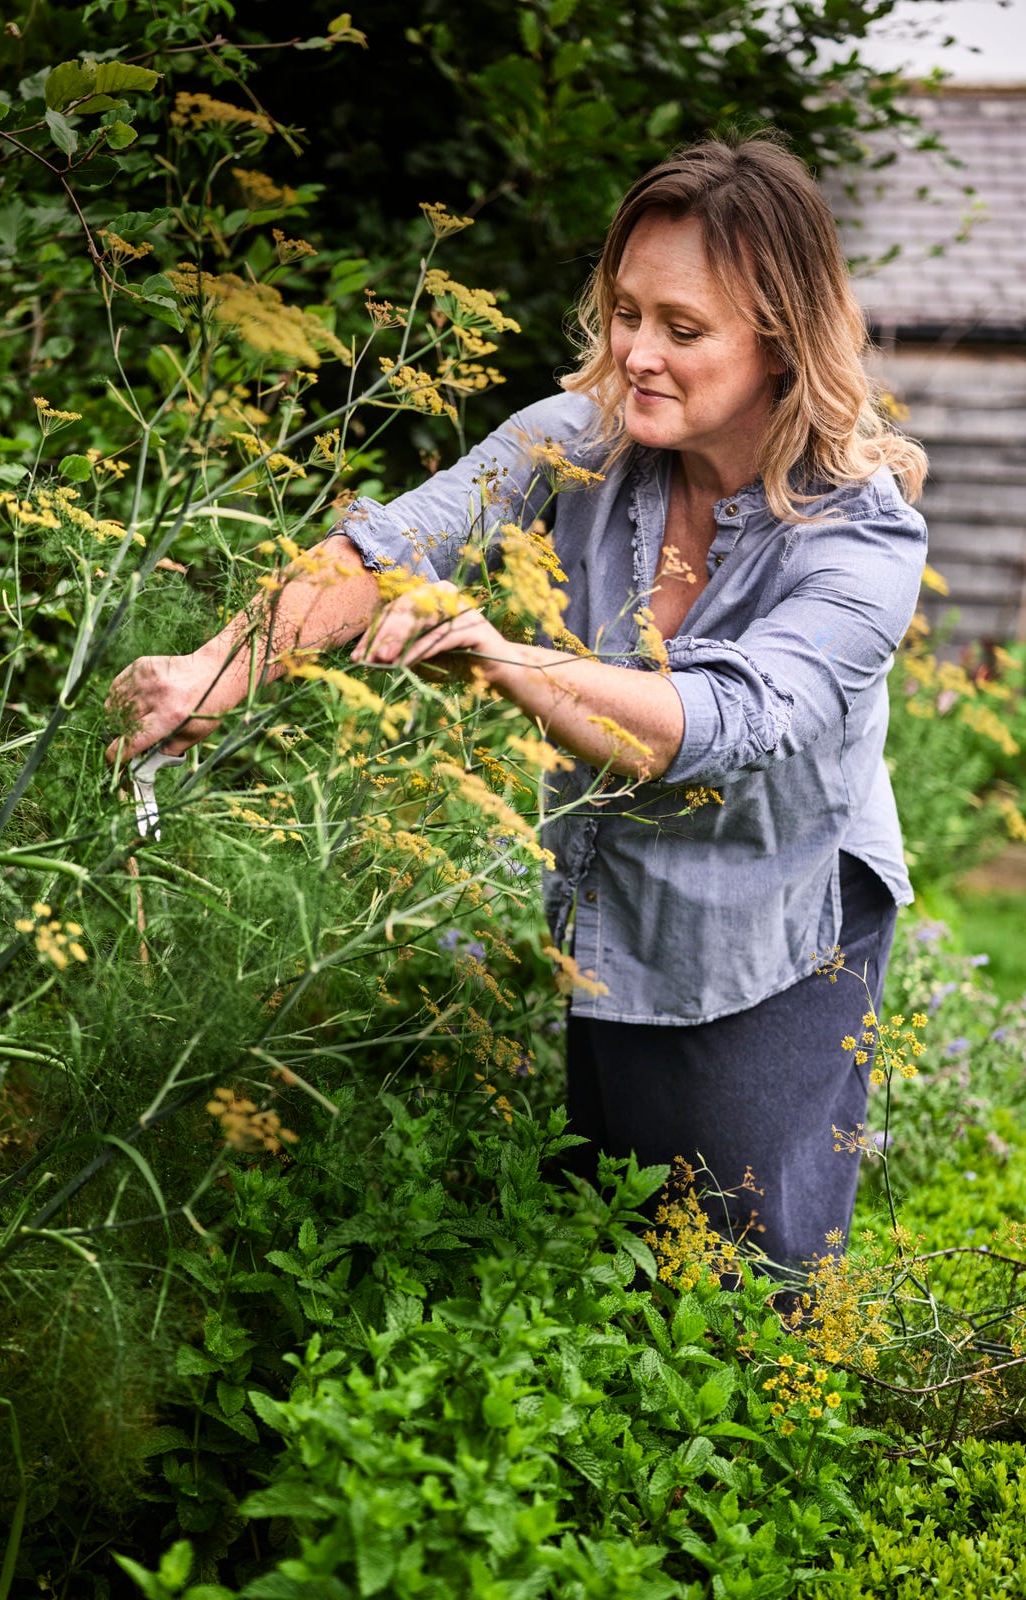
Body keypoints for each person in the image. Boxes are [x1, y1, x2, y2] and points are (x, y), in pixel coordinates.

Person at [107, 135, 928, 1272]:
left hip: (775, 930)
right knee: (605, 1235)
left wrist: (505, 660)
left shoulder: (861, 537)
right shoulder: (578, 442)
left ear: (780, 344)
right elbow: (393, 542)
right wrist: (219, 669)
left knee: (746, 1280)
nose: (635, 352)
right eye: (626, 311)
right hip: (611, 901)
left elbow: (725, 723)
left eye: (682, 330)